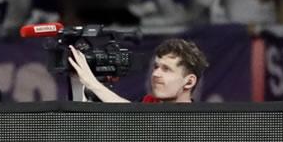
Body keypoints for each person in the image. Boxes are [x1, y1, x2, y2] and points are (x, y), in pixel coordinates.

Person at [68, 37, 208, 103]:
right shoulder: (147, 102)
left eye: (167, 69)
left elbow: (133, 115)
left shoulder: (197, 121)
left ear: (189, 82)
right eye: (156, 67)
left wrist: (93, 83)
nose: (155, 74)